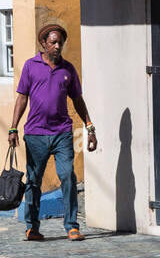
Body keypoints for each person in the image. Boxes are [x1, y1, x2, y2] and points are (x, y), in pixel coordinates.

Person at [8, 23, 96, 242]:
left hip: (62, 133)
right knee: (34, 181)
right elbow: (22, 98)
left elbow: (77, 100)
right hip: (36, 134)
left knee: (67, 176)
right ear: (43, 44)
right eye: (53, 42)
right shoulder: (31, 66)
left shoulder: (68, 69)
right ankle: (32, 227)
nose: (58, 46)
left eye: (60, 43)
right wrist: (13, 128)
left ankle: (72, 226)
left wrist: (89, 127)